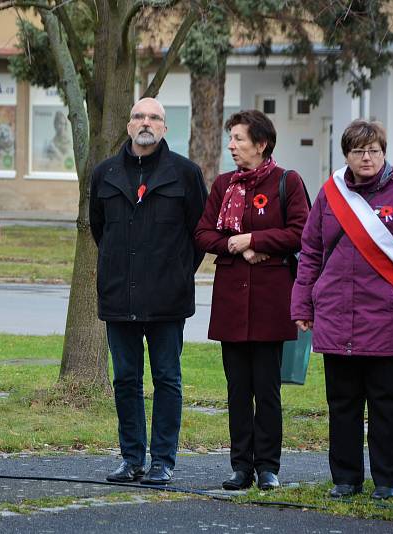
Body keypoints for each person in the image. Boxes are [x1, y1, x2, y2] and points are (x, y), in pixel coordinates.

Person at [291, 120, 393, 500]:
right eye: (359, 151)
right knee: (342, 405)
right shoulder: (330, 195)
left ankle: (389, 480)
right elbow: (309, 252)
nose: (367, 158)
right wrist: (302, 302)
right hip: (336, 318)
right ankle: (346, 479)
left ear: (384, 152)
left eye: (374, 150)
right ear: (347, 154)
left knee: (387, 405)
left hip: (390, 321)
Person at [90, 97, 207, 485]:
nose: (146, 122)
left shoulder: (185, 174)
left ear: (164, 127)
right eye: (139, 115)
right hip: (119, 296)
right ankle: (131, 459)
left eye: (154, 117)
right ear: (128, 125)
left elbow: (199, 237)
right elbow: (98, 229)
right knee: (125, 380)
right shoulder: (104, 173)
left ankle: (163, 460)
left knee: (167, 379)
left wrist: (174, 272)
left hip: (167, 299)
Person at [195, 110, 310, 491]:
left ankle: (268, 467)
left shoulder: (287, 182)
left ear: (261, 144)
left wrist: (255, 241)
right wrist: (234, 243)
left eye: (239, 139)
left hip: (270, 303)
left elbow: (300, 232)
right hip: (231, 303)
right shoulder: (223, 184)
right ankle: (240, 466)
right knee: (237, 390)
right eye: (231, 138)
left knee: (268, 389)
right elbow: (203, 234)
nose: (231, 145)